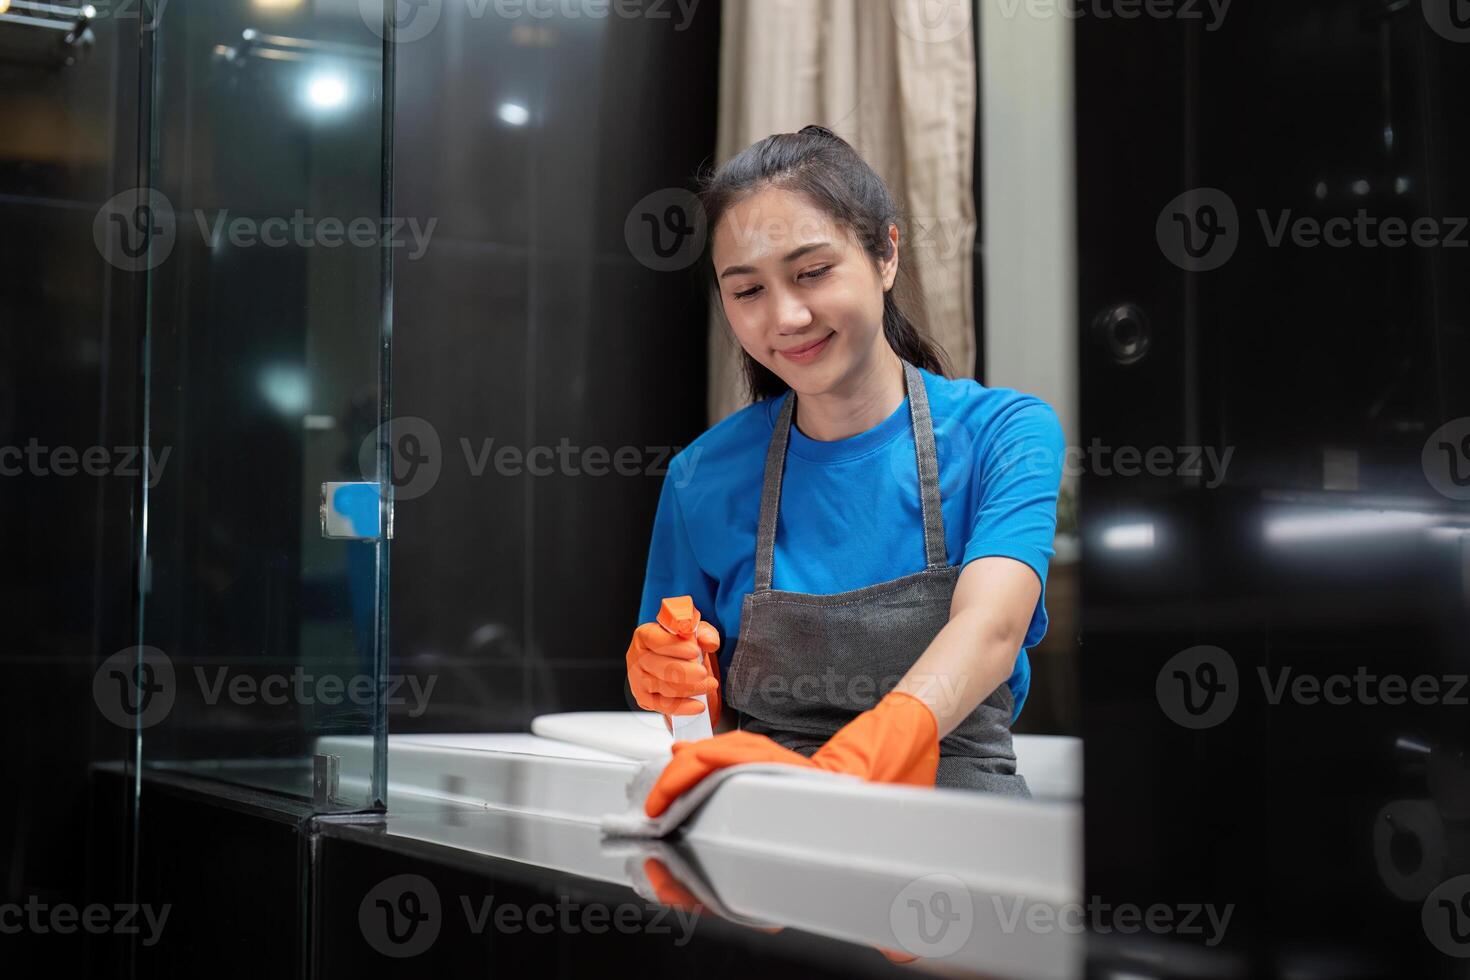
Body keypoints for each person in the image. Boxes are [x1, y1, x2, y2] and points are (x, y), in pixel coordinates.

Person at [624, 125, 1064, 818]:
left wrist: (854, 762)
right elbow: (702, 734)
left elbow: (993, 625)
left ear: (886, 254)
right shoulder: (701, 477)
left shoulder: (1005, 435)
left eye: (812, 272)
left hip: (959, 841)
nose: (786, 316)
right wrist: (680, 686)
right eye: (747, 291)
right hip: (769, 840)